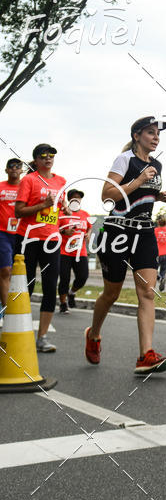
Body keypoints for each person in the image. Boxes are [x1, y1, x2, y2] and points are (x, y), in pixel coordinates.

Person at [84, 117, 166, 375]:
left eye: (157, 134)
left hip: (145, 231)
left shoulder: (157, 164)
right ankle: (94, 334)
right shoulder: (124, 160)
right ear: (137, 136)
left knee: (147, 293)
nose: (156, 138)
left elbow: (142, 195)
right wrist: (139, 179)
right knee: (111, 294)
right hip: (117, 232)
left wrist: (158, 196)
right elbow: (107, 196)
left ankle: (145, 355)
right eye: (150, 133)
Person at [14, 145, 68, 353]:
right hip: (28, 238)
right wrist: (42, 204)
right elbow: (19, 211)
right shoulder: (29, 180)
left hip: (51, 240)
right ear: (36, 160)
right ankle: (21, 332)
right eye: (43, 156)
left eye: (51, 155)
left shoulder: (61, 181)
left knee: (50, 286)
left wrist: (62, 208)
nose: (48, 159)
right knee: (25, 286)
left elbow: (58, 208)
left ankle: (42, 337)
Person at [57, 189, 93, 313]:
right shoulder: (62, 214)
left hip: (80, 251)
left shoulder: (85, 214)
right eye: (74, 197)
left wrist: (88, 234)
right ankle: (63, 304)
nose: (77, 199)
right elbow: (53, 229)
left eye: (79, 198)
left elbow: (89, 228)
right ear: (69, 199)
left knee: (83, 277)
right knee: (64, 279)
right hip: (64, 251)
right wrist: (64, 231)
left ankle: (71, 293)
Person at [0, 158, 24, 323]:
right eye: (11, 166)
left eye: (18, 166)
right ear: (6, 170)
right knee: (5, 271)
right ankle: (7, 313)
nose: (14, 169)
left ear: (22, 170)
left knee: (19, 273)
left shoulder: (26, 188)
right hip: (2, 233)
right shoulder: (1, 187)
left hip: (22, 233)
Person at [154, 215, 166, 293]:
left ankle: (159, 278)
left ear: (158, 222)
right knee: (163, 270)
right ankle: (162, 288)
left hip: (158, 253)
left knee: (154, 270)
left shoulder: (155, 230)